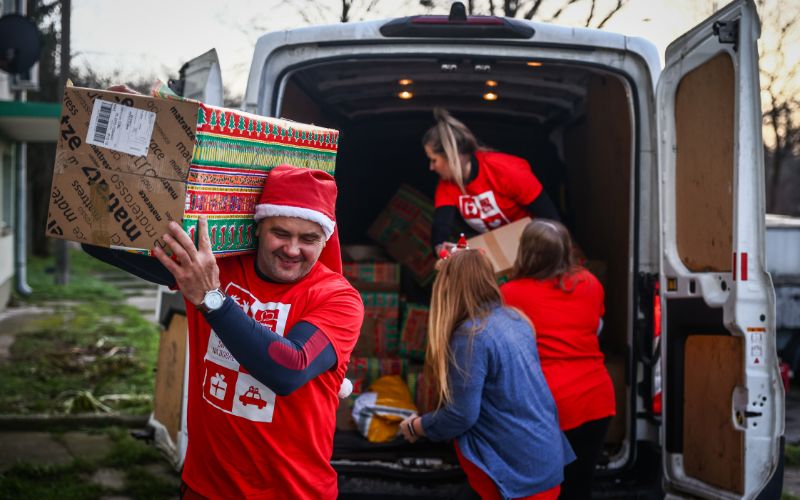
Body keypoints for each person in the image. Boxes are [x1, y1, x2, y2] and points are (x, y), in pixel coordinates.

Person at [84, 165, 364, 499]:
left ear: (325, 240)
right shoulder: (216, 267)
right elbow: (97, 242)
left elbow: (288, 369)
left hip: (293, 492)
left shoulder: (338, 298)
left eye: (308, 239)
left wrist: (212, 299)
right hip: (205, 487)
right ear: (259, 227)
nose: (292, 249)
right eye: (281, 233)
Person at [398, 249, 575, 500]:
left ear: (448, 288)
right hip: (542, 458)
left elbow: (461, 415)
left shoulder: (470, 336)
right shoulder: (515, 318)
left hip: (514, 473)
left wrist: (417, 426)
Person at [500, 220, 615, 500]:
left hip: (545, 407)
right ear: (567, 250)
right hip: (595, 401)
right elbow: (596, 328)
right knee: (579, 487)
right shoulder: (591, 284)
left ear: (525, 252)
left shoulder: (510, 294)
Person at [423, 108, 561, 255]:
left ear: (452, 156)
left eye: (434, 160)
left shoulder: (506, 170)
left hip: (534, 245)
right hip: (498, 250)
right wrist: (440, 247)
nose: (431, 167)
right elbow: (442, 225)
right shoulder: (447, 183)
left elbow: (551, 218)